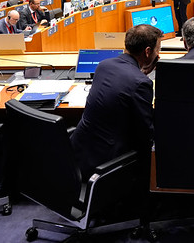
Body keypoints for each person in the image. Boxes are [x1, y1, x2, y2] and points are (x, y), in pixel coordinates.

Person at [70, 24, 163, 179]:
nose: (158, 54)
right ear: (147, 52)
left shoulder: (103, 65)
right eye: (157, 49)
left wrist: (141, 73)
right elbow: (145, 134)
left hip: (79, 153)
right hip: (106, 166)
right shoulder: (141, 83)